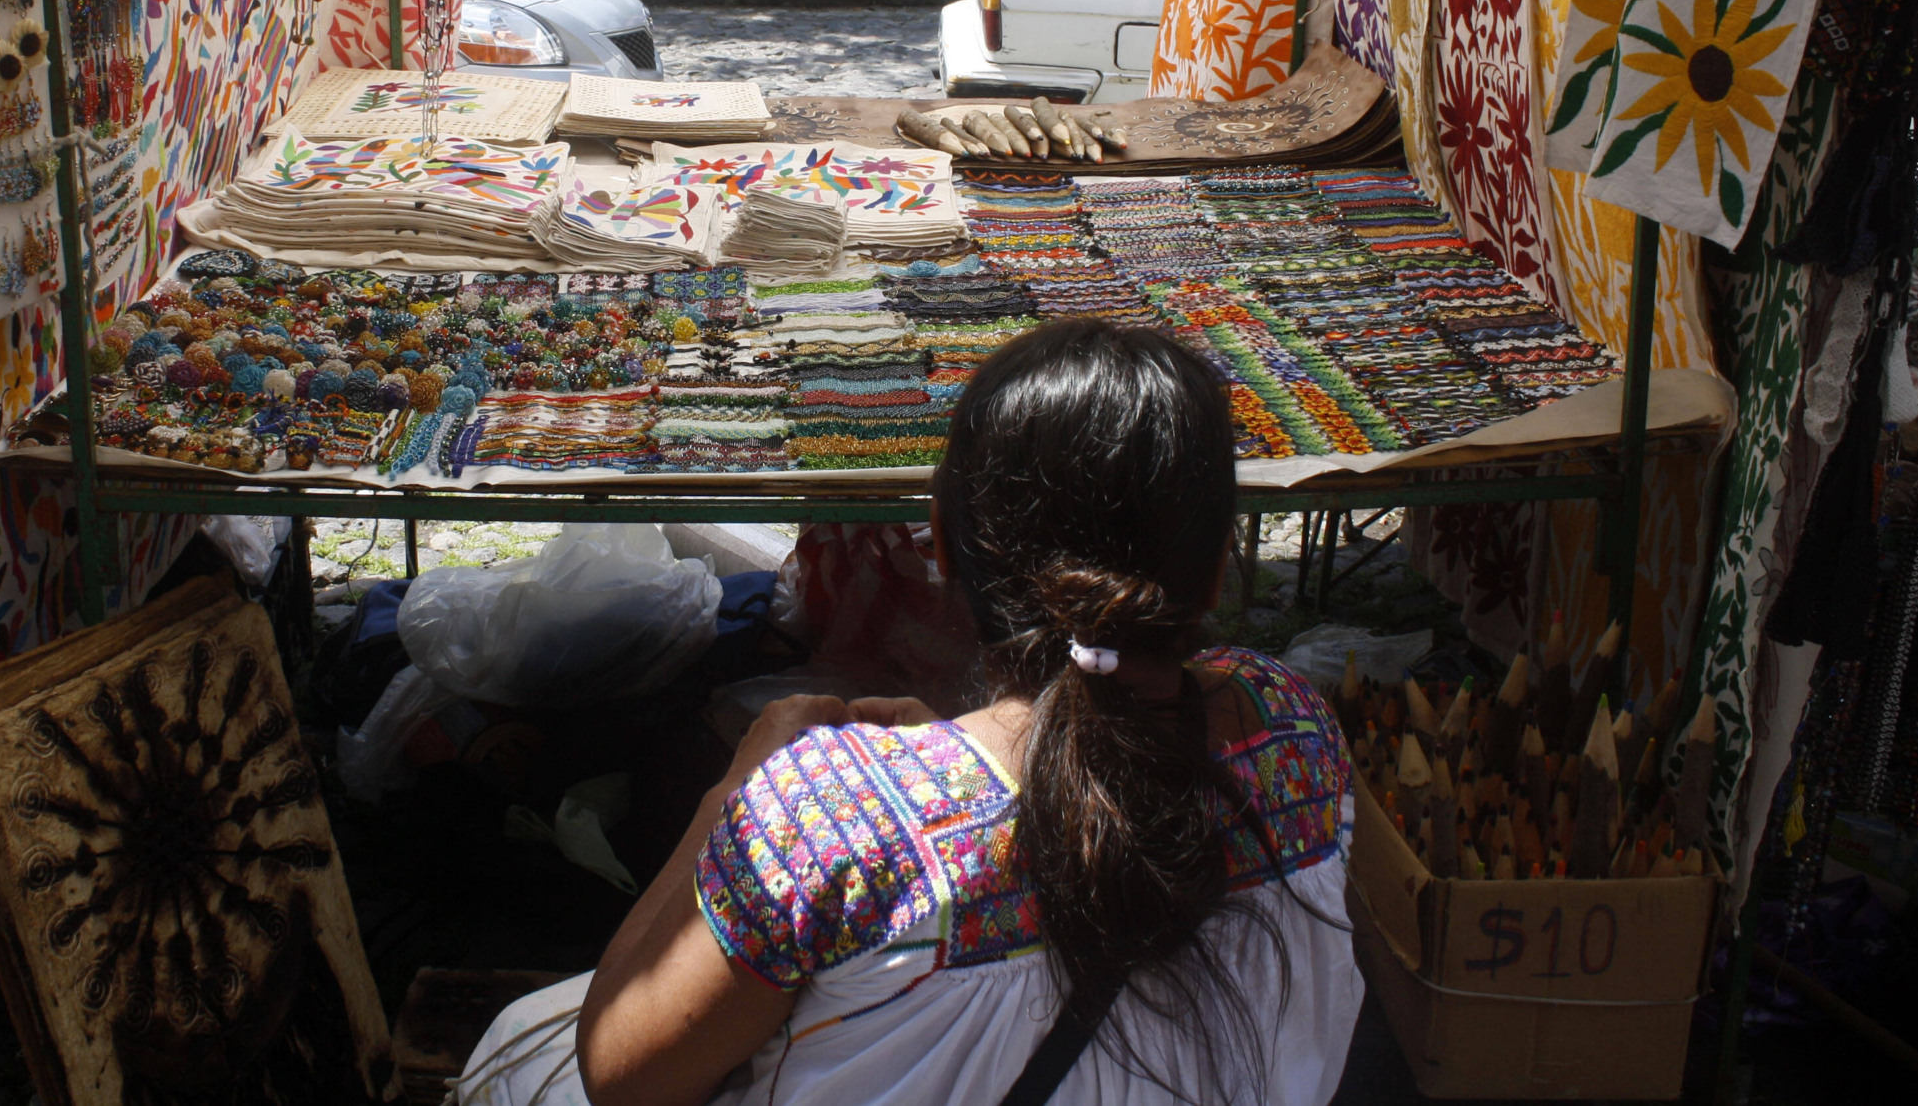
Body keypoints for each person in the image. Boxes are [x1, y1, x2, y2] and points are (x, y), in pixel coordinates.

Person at [453, 318, 1363, 1106]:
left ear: (946, 548)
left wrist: (736, 789)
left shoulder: (827, 815)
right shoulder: (1292, 729)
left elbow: (621, 1071)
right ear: (1216, 567)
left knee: (515, 1046)